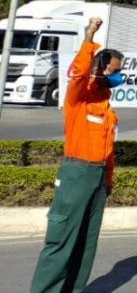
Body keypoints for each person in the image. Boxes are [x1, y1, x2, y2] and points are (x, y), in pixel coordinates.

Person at [28, 17, 122, 293]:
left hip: (98, 176)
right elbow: (79, 74)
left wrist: (108, 180)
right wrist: (90, 37)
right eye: (115, 70)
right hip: (76, 174)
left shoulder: (106, 106)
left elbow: (109, 149)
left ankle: (73, 289)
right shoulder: (79, 98)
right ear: (100, 69)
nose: (119, 76)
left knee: (86, 241)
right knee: (61, 239)